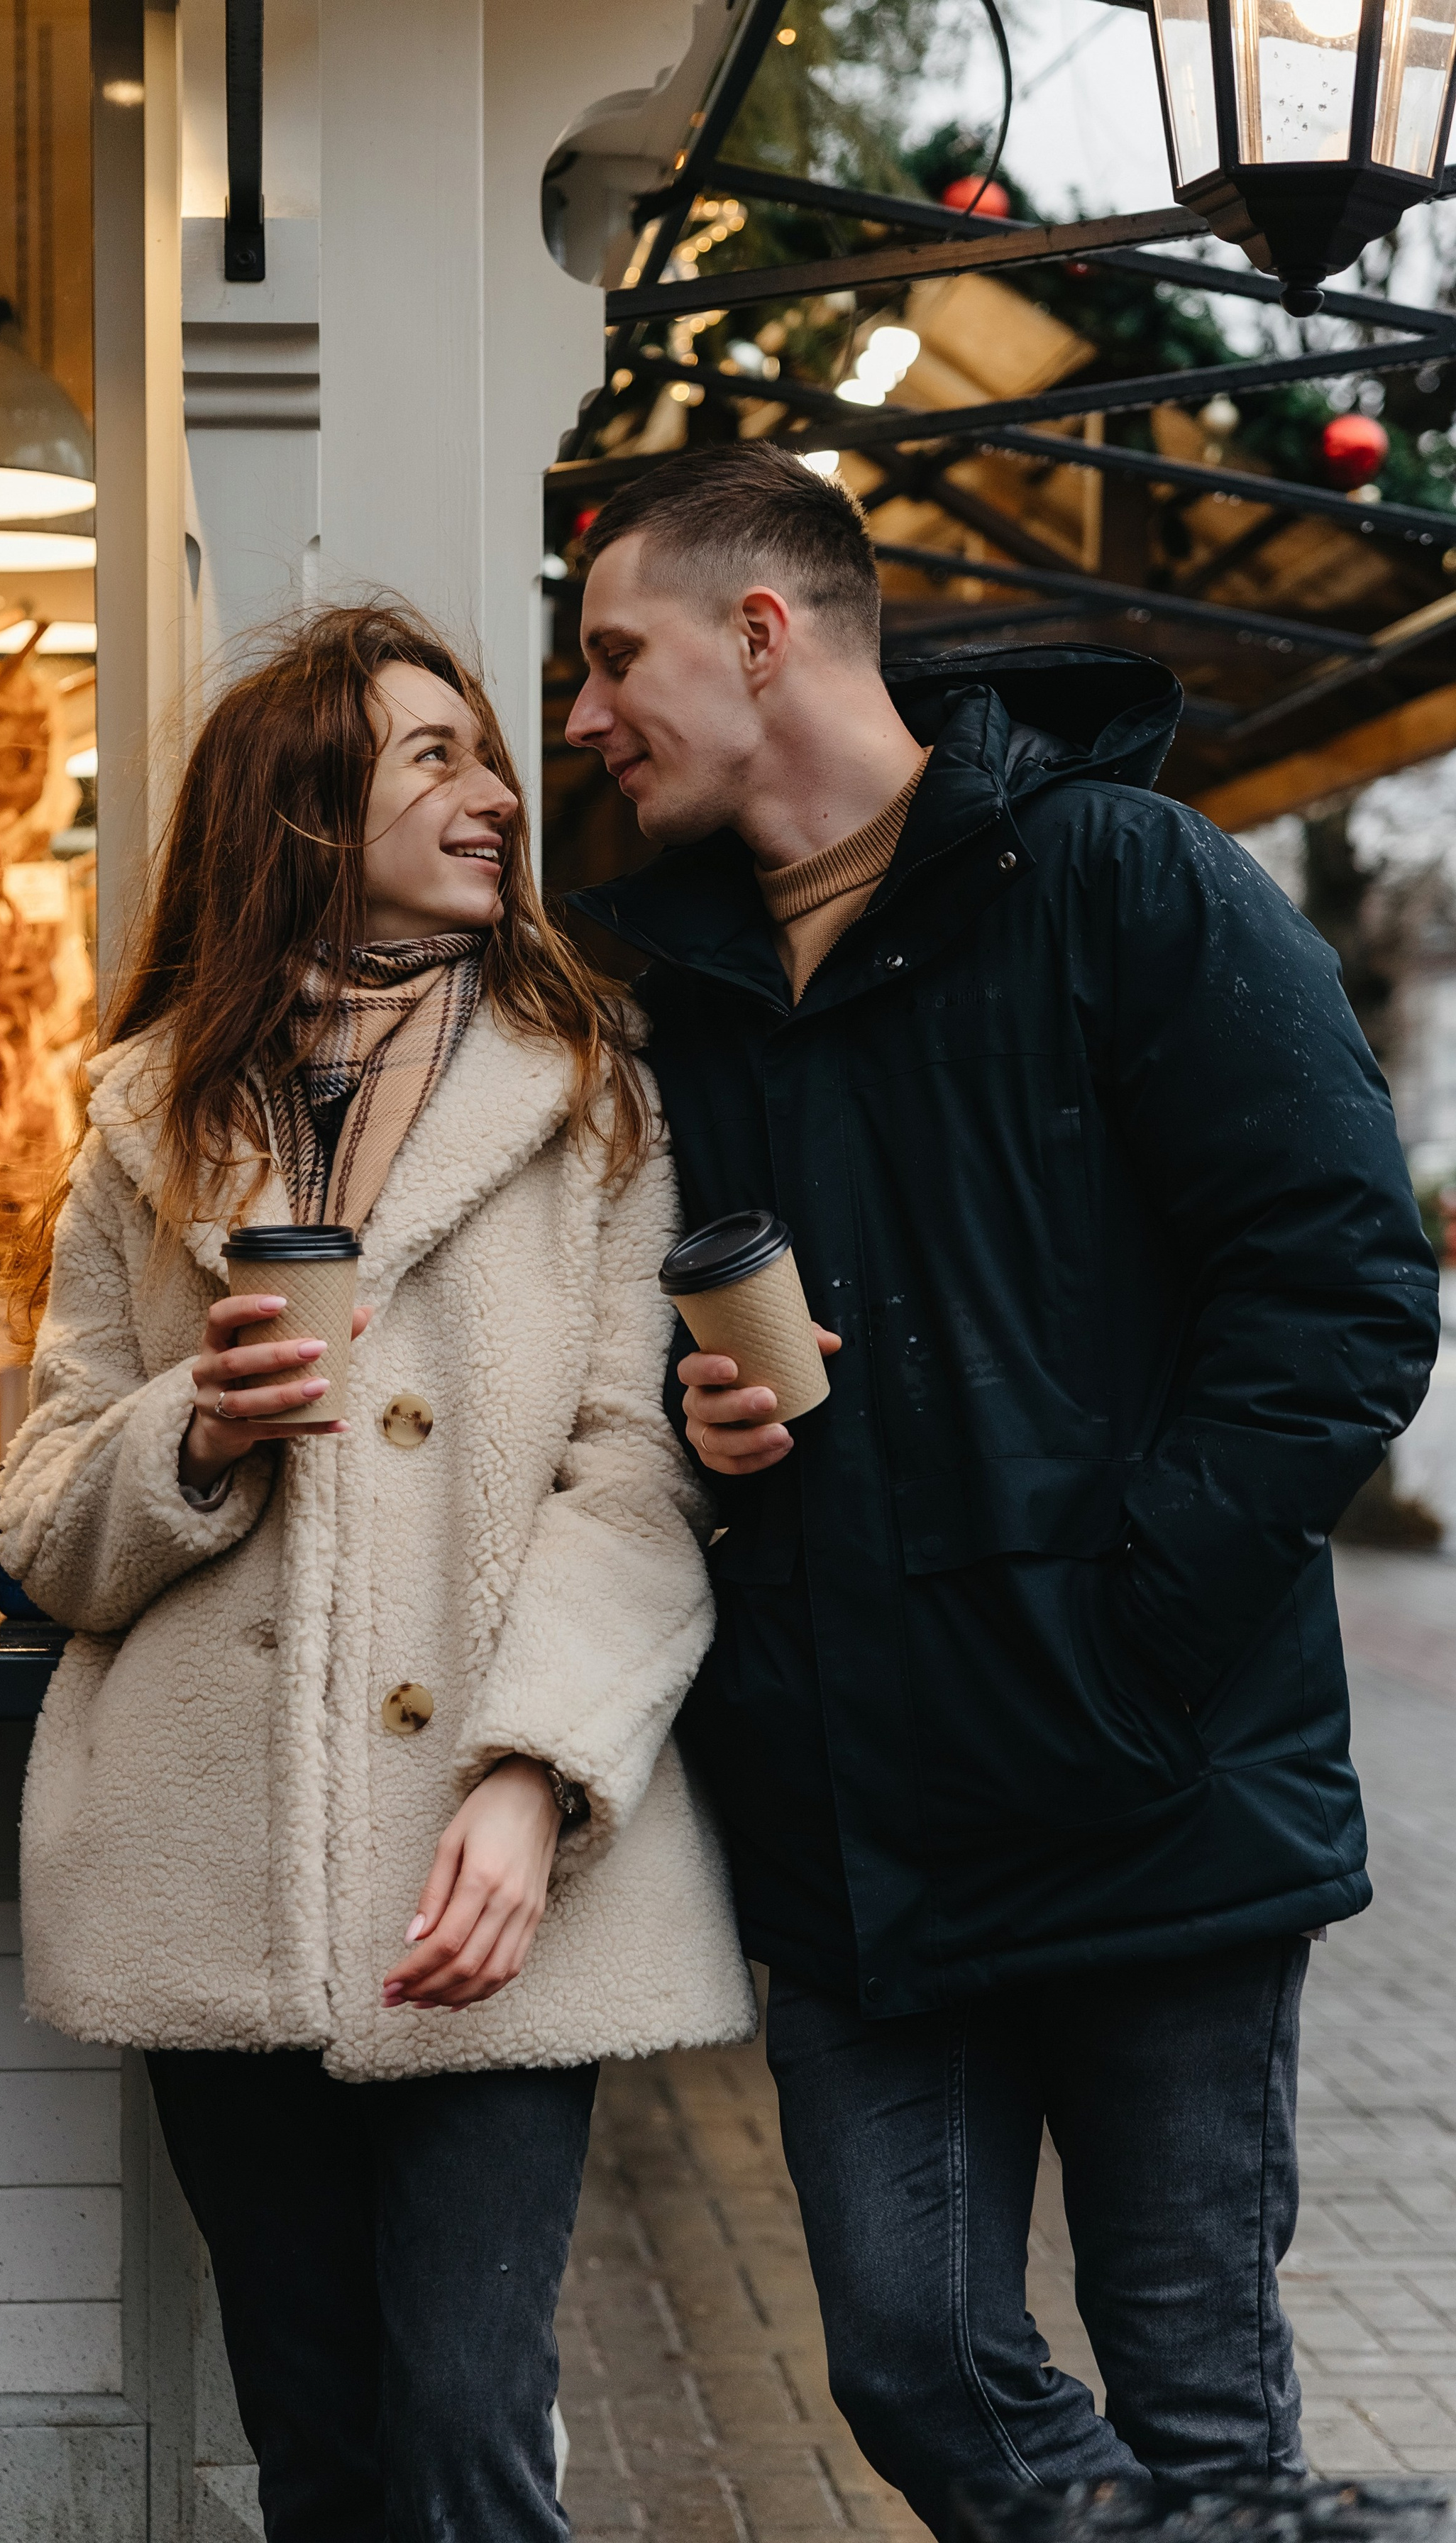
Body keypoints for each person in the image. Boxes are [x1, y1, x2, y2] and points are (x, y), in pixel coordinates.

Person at [562, 443, 1443, 2536]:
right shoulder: (681, 995)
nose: (582, 718)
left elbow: (1339, 1290)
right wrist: (710, 1420)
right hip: (861, 1831)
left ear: (758, 634)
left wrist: (1128, 1639)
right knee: (914, 2363)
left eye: (612, 657)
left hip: (1151, 1797)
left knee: (1198, 2394)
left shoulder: (1123, 878)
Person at [0, 601, 753, 2542]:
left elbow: (640, 1473)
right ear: (308, 812)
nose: (499, 791)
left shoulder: (594, 1092)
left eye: (487, 753)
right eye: (437, 757)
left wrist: (537, 1775)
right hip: (211, 1868)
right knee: (317, 2448)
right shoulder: (147, 1113)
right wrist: (193, 1432)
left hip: (485, 1874)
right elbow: (48, 1518)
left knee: (470, 2437)